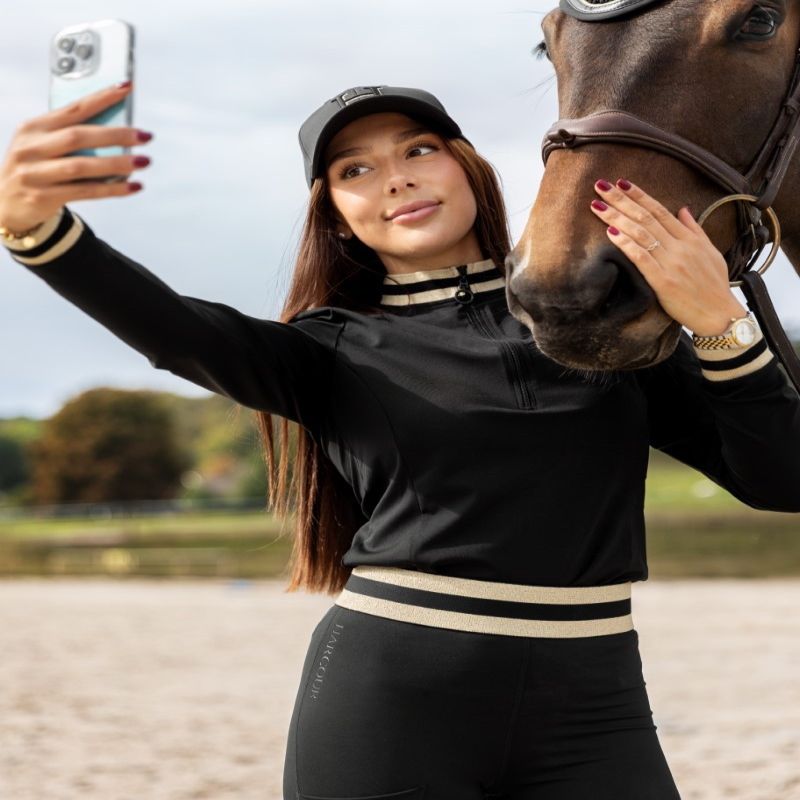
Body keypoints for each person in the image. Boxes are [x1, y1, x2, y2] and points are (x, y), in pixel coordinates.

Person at [2, 81, 799, 800]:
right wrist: (40, 234)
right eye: (355, 170)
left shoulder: (602, 330)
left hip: (599, 706)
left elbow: (782, 479)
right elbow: (177, 333)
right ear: (337, 218)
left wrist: (721, 326)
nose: (396, 178)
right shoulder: (329, 350)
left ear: (468, 168)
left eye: (419, 150)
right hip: (392, 702)